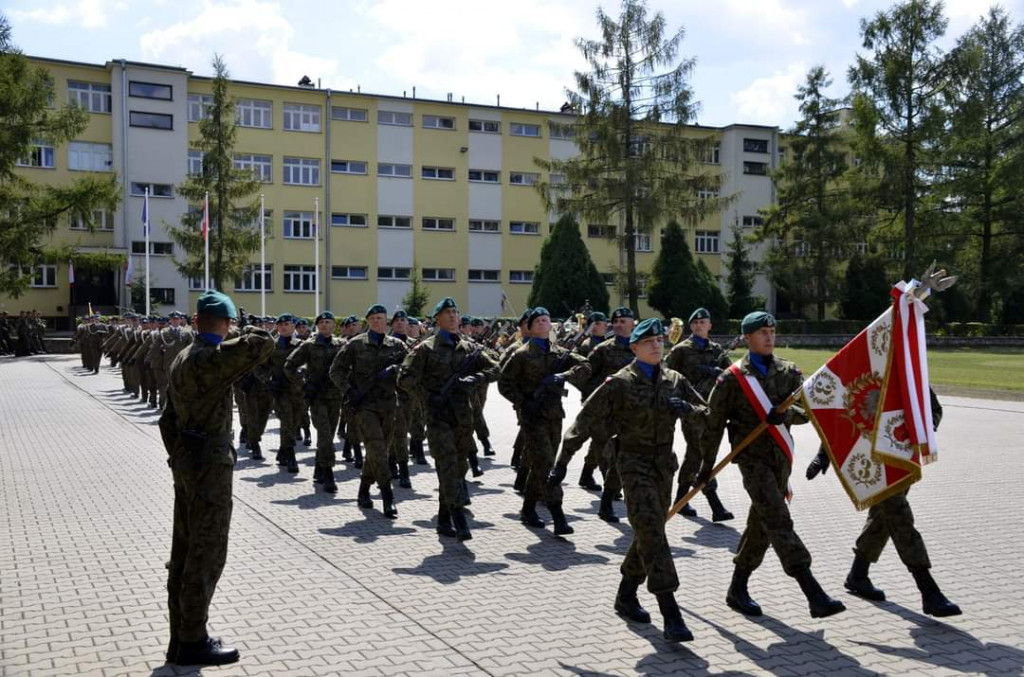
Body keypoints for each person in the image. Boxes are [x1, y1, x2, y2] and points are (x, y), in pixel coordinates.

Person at [551, 318, 705, 642]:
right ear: (633, 347)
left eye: (660, 340)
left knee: (650, 531)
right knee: (650, 528)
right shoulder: (619, 383)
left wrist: (687, 408)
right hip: (633, 463)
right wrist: (560, 466)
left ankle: (625, 594)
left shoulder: (675, 380)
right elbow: (584, 421)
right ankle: (670, 611)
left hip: (664, 464)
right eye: (648, 342)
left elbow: (706, 412)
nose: (656, 345)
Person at [699, 311, 845, 619]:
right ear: (748, 337)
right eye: (762, 332)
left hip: (781, 460)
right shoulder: (732, 377)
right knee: (779, 520)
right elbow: (712, 425)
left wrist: (786, 416)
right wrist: (705, 468)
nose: (769, 336)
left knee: (761, 525)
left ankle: (737, 588)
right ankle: (813, 592)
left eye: (772, 331)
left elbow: (808, 411)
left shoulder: (789, 371)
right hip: (752, 461)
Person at [158, 290, 274, 666]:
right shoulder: (211, 357)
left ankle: (180, 636)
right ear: (225, 324)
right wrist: (249, 326)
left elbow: (167, 420)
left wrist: (180, 453)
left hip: (187, 463)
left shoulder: (183, 357)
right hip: (209, 466)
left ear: (195, 322)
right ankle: (193, 640)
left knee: (185, 548)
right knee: (207, 552)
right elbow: (263, 343)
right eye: (229, 324)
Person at [806, 388, 960, 617]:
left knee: (881, 518)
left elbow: (933, 409)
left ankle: (858, 575)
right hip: (870, 461)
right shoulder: (867, 364)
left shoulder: (906, 372)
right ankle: (929, 591)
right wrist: (824, 453)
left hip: (900, 457)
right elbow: (841, 411)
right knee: (900, 519)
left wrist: (917, 431)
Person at [398, 297, 499, 540]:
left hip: (463, 417)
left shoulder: (470, 348)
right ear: (437, 319)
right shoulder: (425, 349)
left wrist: (476, 379)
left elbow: (497, 368)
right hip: (437, 417)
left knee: (458, 468)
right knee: (447, 466)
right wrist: (427, 396)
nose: (453, 316)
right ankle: (458, 517)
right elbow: (404, 379)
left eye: (455, 312)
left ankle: (443, 519)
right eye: (448, 313)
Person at [498, 307, 591, 534]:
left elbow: (586, 366)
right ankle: (557, 514)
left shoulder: (560, 353)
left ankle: (528, 508)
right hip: (532, 417)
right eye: (537, 321)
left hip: (554, 416)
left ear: (551, 326)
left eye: (545, 320)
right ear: (529, 327)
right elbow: (504, 384)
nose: (542, 323)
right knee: (547, 464)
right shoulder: (521, 354)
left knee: (538, 463)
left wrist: (563, 376)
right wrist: (523, 402)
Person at [330, 304, 408, 517]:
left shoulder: (398, 345)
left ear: (386, 321)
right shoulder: (356, 345)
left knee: (378, 452)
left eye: (381, 318)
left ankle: (364, 489)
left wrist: (395, 370)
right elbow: (336, 371)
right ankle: (387, 496)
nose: (377, 321)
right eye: (373, 318)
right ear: (368, 321)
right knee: (377, 448)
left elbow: (411, 369)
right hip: (364, 406)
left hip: (389, 405)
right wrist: (349, 390)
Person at [665, 307, 735, 521]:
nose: (698, 325)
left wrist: (719, 373)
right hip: (691, 409)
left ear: (709, 326)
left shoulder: (717, 350)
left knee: (699, 455)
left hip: (713, 410)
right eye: (694, 322)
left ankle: (680, 500)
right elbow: (667, 375)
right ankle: (715, 504)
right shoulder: (681, 350)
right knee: (701, 452)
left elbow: (732, 375)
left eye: (702, 322)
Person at [577, 307, 636, 521]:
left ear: (633, 324)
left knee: (622, 455)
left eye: (623, 321)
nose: (619, 324)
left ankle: (603, 493)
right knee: (609, 455)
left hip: (629, 412)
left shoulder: (640, 348)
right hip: (604, 412)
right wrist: (596, 399)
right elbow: (584, 375)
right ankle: (607, 503)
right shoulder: (602, 349)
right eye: (616, 321)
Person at [285, 311, 344, 493]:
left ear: (334, 326)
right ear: (317, 326)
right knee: (325, 434)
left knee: (328, 435)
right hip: (317, 397)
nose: (325, 325)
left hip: (335, 397)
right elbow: (290, 366)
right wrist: (303, 383)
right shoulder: (309, 346)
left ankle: (319, 467)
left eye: (329, 322)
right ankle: (328, 473)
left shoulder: (342, 345)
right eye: (322, 323)